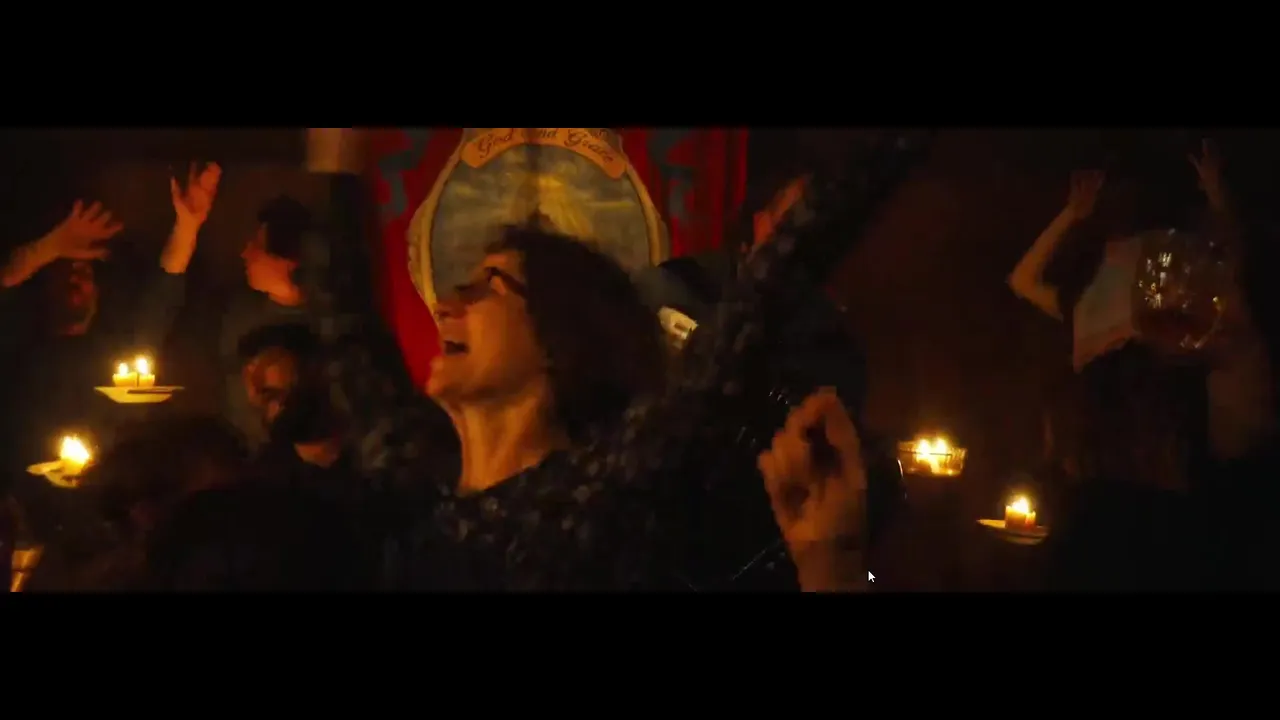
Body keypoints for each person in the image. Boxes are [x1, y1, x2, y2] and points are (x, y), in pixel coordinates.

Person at [301, 129, 921, 591]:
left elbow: (771, 287)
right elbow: (347, 326)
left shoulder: (605, 496)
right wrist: (336, 166)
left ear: (560, 336)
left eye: (490, 285)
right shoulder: (415, 474)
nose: (447, 305)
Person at [1007, 142, 1252, 590]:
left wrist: (1218, 199)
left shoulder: (1169, 274)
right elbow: (1022, 280)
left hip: (1152, 457)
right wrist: (1070, 215)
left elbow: (1228, 268)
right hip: (1095, 458)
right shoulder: (1085, 288)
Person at [158, 167, 315, 446]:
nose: (245, 252)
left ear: (288, 261)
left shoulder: (326, 323)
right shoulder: (237, 309)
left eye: (256, 245)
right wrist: (187, 228)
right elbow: (164, 308)